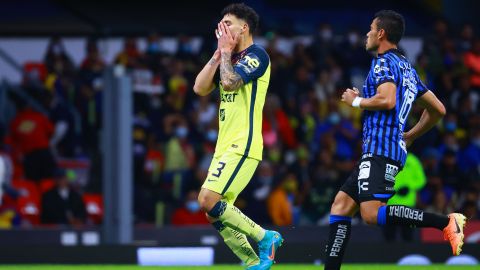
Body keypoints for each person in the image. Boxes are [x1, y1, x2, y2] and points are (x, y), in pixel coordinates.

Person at [323, 10, 466, 270]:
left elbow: (387, 100)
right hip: (387, 149)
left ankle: (445, 222)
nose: (367, 34)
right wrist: (410, 135)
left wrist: (355, 101)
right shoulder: (407, 68)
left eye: (370, 29)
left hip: (380, 149)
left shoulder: (383, 62)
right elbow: (439, 110)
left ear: (381, 33)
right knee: (341, 206)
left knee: (370, 214)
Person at [193, 3, 283, 270]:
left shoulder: (258, 55)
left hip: (243, 143)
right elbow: (199, 88)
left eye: (228, 23)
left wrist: (226, 52)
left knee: (207, 199)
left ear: (244, 27)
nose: (223, 28)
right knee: (213, 210)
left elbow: (231, 82)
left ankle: (265, 237)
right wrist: (220, 52)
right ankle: (252, 261)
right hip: (224, 145)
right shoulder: (227, 56)